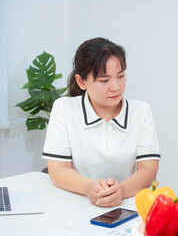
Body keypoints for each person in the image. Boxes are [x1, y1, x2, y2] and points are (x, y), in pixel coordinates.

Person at [42, 37, 160, 207]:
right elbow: (58, 170)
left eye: (121, 76)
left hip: (126, 205)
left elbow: (148, 171)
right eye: (104, 80)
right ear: (82, 81)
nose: (116, 87)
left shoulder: (141, 111)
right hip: (77, 202)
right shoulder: (64, 109)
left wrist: (120, 191)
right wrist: (90, 187)